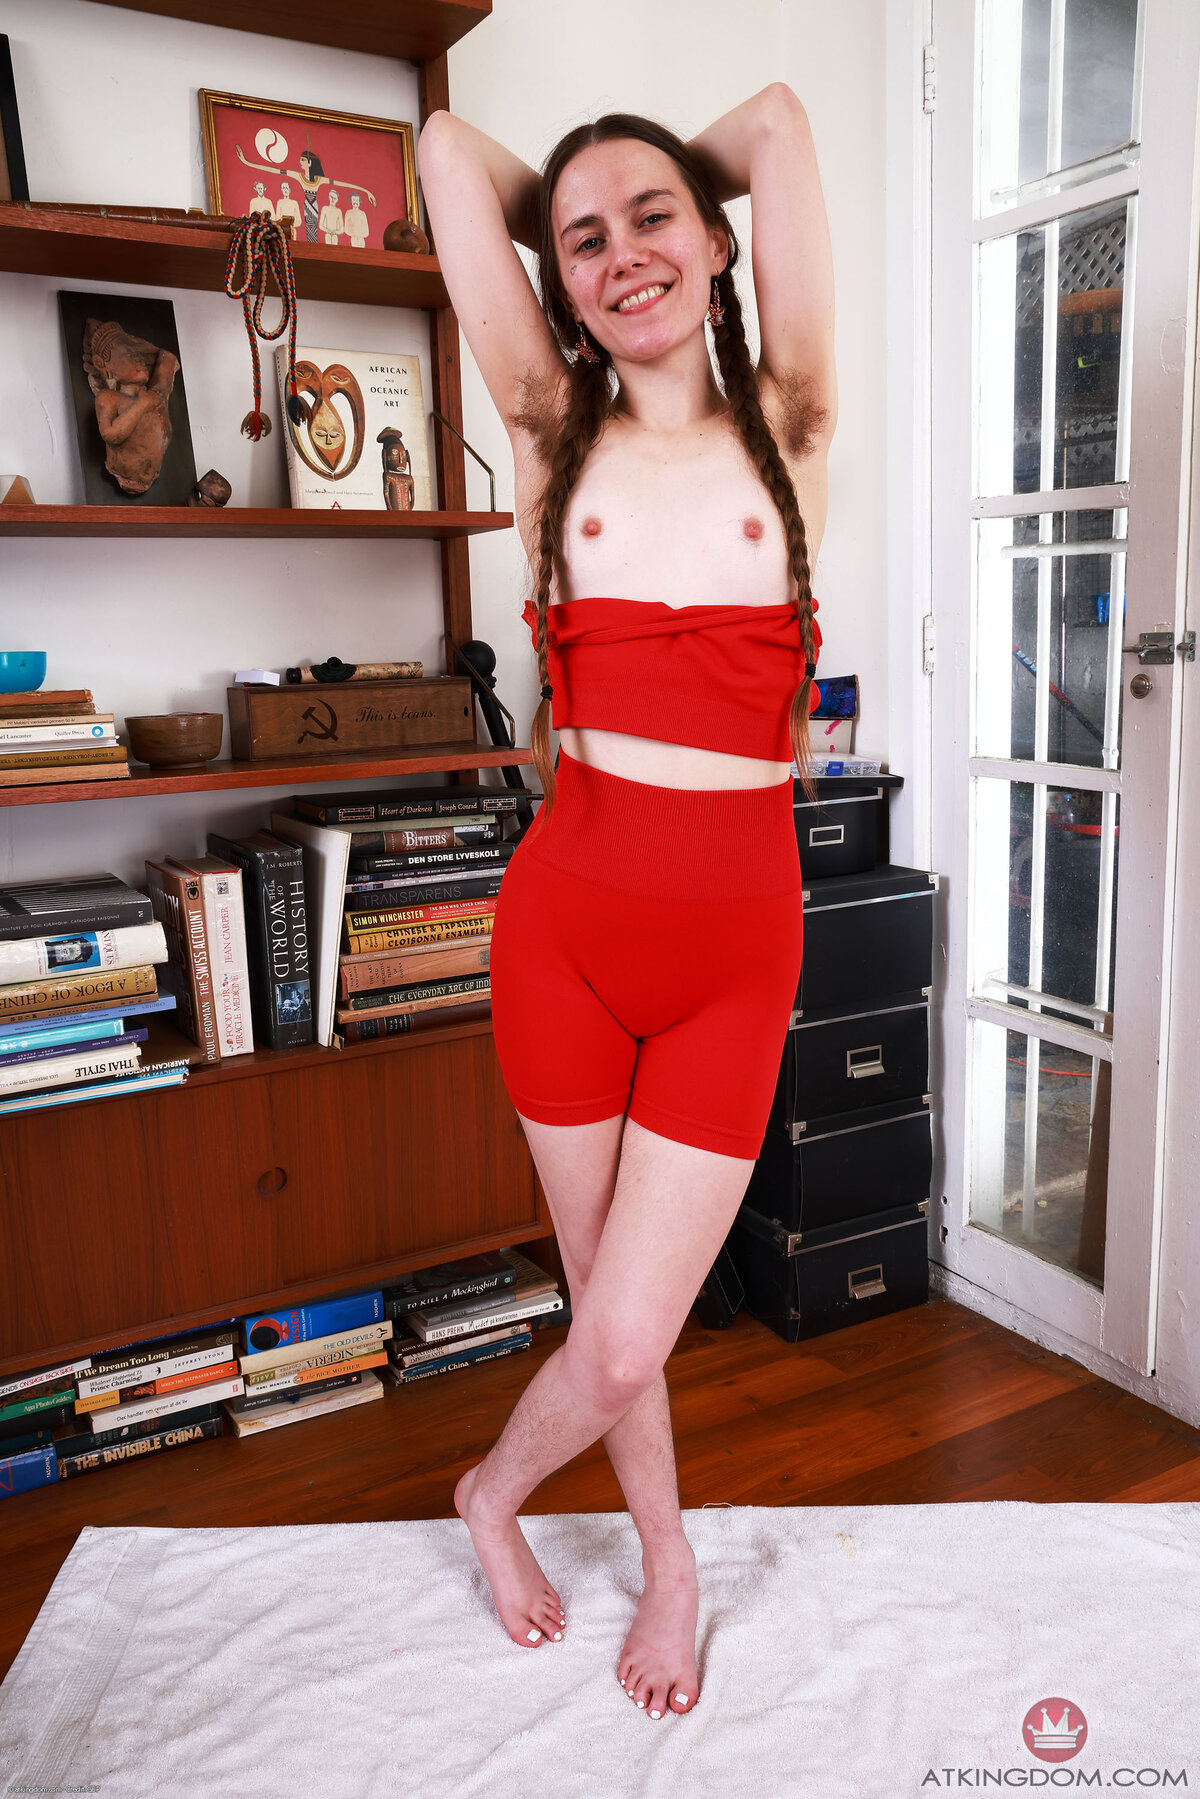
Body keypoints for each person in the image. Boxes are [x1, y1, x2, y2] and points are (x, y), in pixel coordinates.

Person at [418, 84, 836, 1723]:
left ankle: (491, 1492)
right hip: (567, 938)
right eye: (582, 241)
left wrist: (656, 202)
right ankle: (667, 1559)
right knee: (609, 1317)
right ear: (558, 279)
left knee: (615, 1339)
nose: (620, 256)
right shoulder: (551, 435)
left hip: (737, 952)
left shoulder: (792, 423)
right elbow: (447, 155)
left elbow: (781, 125)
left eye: (656, 220)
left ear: (719, 245)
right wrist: (594, 223)